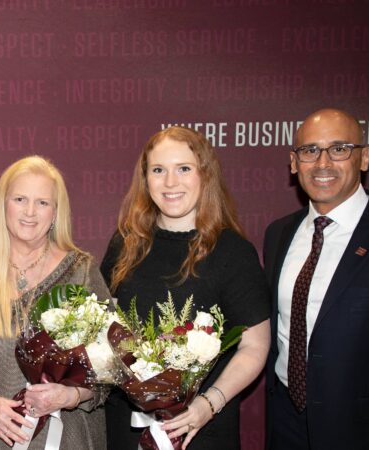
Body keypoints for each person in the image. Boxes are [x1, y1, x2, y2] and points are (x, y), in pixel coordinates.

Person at [101, 126, 270, 450]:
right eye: (158, 170)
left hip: (200, 430)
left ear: (205, 175)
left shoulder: (232, 252)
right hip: (125, 429)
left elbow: (254, 346)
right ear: (145, 178)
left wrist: (207, 404)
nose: (170, 182)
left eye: (184, 169)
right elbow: (104, 329)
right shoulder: (124, 244)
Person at [0, 155, 111, 449]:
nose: (30, 212)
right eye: (20, 199)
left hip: (66, 438)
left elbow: (113, 356)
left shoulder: (81, 271)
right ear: (3, 205)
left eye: (42, 202)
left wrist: (71, 396)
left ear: (55, 212)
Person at [264, 108, 369, 450]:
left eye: (339, 149)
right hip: (286, 425)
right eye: (309, 151)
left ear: (364, 157)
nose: (323, 163)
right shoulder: (278, 234)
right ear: (293, 162)